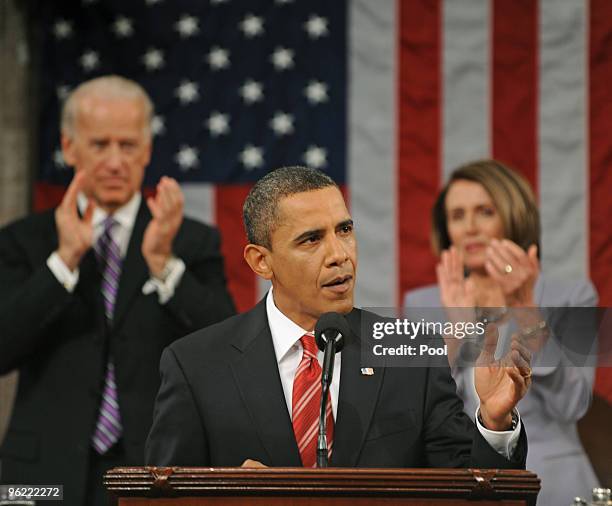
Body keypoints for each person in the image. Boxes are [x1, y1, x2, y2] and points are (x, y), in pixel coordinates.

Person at [145, 166, 532, 470]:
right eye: (311, 239)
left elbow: (467, 494)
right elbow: (161, 499)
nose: (339, 254)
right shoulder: (196, 365)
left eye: (344, 230)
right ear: (261, 261)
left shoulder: (411, 350)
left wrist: (494, 423)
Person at [0, 76, 235, 505]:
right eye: (99, 145)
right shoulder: (25, 241)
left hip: (156, 472)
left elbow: (227, 348)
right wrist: (63, 263)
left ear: (146, 151)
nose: (114, 162)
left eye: (127, 146)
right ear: (70, 148)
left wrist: (164, 265)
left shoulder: (189, 242)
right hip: (40, 476)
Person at [404, 159, 599, 505]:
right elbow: (413, 414)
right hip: (458, 486)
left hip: (552, 484)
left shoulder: (574, 296)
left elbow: (573, 405)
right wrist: (457, 332)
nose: (470, 228)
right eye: (458, 216)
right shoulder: (421, 302)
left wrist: (526, 309)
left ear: (513, 217)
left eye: (485, 211)